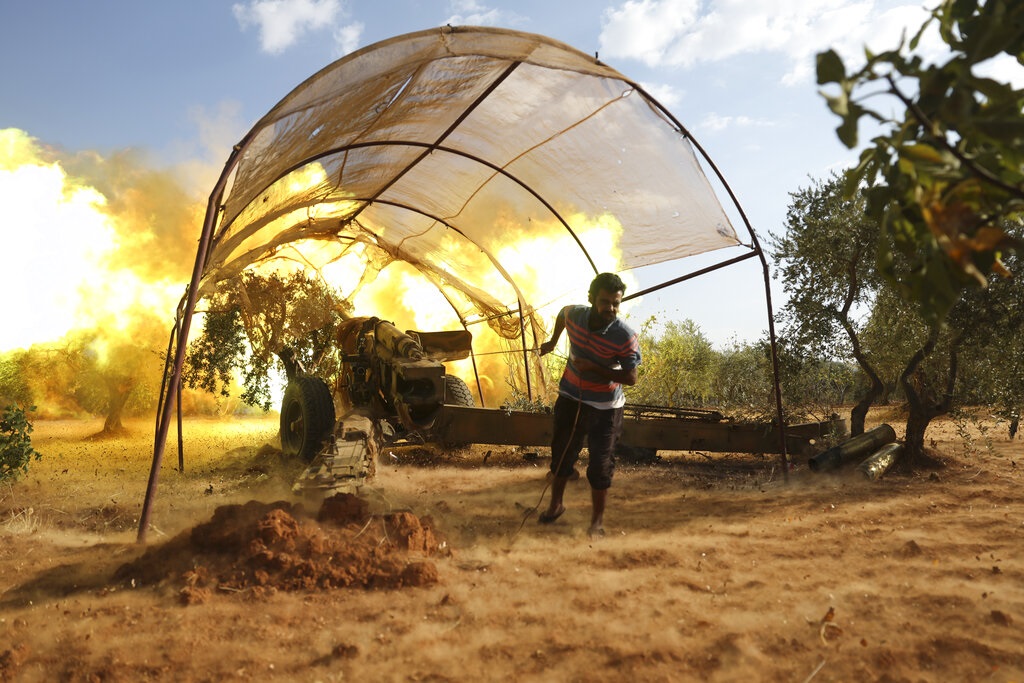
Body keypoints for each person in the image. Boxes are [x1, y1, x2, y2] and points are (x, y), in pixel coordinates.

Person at [537, 272, 641, 538]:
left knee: (600, 466)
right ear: (592, 300)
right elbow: (562, 313)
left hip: (606, 408)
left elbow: (631, 378)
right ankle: (556, 505)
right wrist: (552, 341)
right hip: (571, 398)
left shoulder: (624, 335)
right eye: (605, 302)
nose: (611, 309)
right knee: (561, 456)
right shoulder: (576, 315)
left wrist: (595, 367)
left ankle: (596, 523)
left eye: (616, 303)